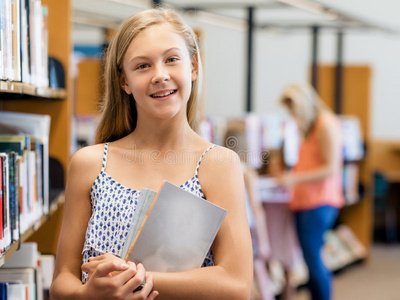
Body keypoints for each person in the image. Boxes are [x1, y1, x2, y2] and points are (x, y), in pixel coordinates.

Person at [50, 7, 253, 300]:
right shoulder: (90, 163)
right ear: (124, 82)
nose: (160, 75)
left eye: (172, 60)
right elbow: (61, 281)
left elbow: (238, 285)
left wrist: (131, 277)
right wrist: (88, 295)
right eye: (142, 66)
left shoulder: (217, 164)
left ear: (193, 67)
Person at [277, 83, 344, 300]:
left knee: (314, 259)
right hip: (304, 201)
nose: (293, 116)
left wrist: (293, 178)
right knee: (309, 259)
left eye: (294, 110)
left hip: (319, 202)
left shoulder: (325, 124)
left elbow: (331, 168)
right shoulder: (309, 128)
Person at [224, 125, 275, 300]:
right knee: (259, 269)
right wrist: (265, 241)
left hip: (228, 229)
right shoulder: (247, 172)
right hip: (249, 228)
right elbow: (256, 208)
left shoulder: (220, 170)